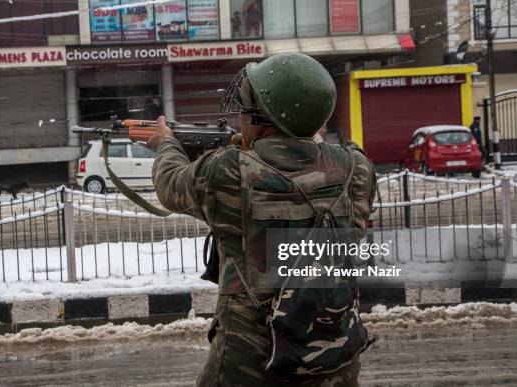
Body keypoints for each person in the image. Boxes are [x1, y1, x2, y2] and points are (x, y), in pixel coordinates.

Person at [147, 53, 376, 386]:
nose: (239, 117)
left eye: (245, 110)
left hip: (251, 362)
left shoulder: (227, 170)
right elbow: (310, 162)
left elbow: (171, 184)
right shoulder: (357, 167)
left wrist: (166, 143)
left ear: (263, 118)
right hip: (334, 359)